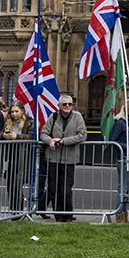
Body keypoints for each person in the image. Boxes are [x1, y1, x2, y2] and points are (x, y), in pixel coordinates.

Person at [40, 94, 86, 222]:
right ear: (59, 105)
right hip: (53, 158)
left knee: (66, 189)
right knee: (54, 188)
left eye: (69, 104)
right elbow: (44, 133)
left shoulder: (78, 117)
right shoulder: (53, 117)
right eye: (64, 104)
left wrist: (63, 141)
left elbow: (82, 135)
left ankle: (67, 214)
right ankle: (58, 215)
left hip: (69, 158)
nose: (67, 106)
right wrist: (50, 141)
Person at [109, 97, 129, 223]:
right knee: (123, 187)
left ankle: (125, 212)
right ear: (126, 107)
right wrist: (125, 147)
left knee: (128, 188)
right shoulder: (120, 122)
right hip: (123, 158)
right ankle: (119, 213)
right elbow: (113, 139)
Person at [1, 101, 33, 215]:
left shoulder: (29, 122)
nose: (14, 114)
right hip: (10, 155)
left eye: (16, 111)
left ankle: (18, 210)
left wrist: (17, 136)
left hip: (23, 156)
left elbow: (31, 136)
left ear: (22, 111)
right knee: (10, 184)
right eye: (12, 112)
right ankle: (13, 210)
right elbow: (0, 134)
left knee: (18, 183)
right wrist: (4, 135)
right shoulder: (8, 122)